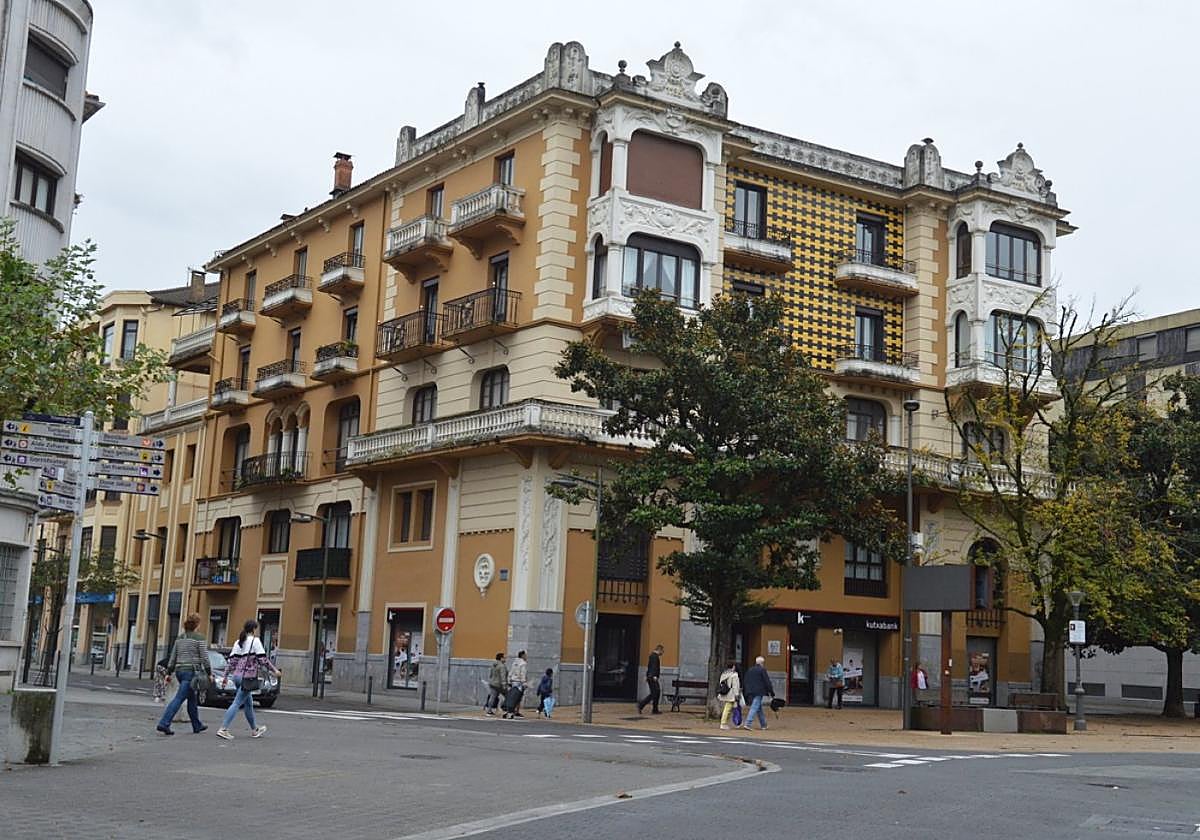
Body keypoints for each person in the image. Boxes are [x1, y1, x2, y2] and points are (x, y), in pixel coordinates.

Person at [216, 619, 280, 741]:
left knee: (248, 703)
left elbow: (231, 662)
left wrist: (225, 677)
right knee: (237, 702)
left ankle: (255, 729)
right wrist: (274, 670)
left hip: (236, 676)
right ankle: (223, 728)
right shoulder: (255, 641)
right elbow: (263, 659)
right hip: (247, 676)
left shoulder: (238, 642)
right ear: (254, 629)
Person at [156, 614, 212, 735]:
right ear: (197, 624)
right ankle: (164, 723)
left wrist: (169, 672)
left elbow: (173, 656)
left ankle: (197, 725)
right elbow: (204, 657)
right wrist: (209, 673)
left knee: (191, 698)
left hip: (179, 671)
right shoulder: (199, 638)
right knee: (179, 698)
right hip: (191, 672)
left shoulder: (180, 638)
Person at [742, 655, 775, 731]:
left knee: (758, 708)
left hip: (750, 691)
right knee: (755, 706)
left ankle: (763, 724)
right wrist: (771, 692)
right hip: (759, 691)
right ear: (762, 663)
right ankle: (748, 723)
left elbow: (746, 680)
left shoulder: (750, 670)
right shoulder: (762, 670)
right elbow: (767, 682)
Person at [716, 659, 743, 731]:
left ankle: (736, 722)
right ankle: (723, 723)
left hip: (725, 692)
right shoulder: (734, 675)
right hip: (731, 694)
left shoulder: (724, 674)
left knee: (730, 707)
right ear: (733, 666)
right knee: (728, 708)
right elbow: (735, 686)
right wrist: (737, 695)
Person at [637, 644, 664, 714]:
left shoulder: (653, 656)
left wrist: (648, 675)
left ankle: (654, 709)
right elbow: (653, 667)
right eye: (662, 651)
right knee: (655, 693)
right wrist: (653, 676)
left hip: (651, 676)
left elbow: (649, 667)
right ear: (659, 650)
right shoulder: (654, 657)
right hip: (652, 677)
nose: (662, 653)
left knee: (656, 692)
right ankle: (641, 705)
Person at [503, 650, 528, 719]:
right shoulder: (523, 664)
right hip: (519, 683)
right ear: (522, 655)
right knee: (517, 698)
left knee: (511, 697)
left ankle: (509, 711)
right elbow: (523, 674)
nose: (526, 657)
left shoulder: (514, 663)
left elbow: (510, 672)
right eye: (525, 655)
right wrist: (524, 683)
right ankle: (513, 712)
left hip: (512, 682)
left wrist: (509, 681)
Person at [483, 652, 507, 716]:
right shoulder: (502, 666)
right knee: (508, 696)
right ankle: (505, 709)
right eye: (504, 658)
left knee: (492, 697)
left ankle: (489, 710)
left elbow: (490, 674)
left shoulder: (493, 664)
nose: (505, 659)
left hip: (492, 683)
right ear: (501, 658)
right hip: (499, 684)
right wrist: (504, 685)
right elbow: (503, 676)